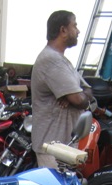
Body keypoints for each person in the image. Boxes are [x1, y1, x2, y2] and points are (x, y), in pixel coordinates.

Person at [31, 10, 94, 169]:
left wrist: (77, 96)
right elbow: (79, 100)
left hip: (62, 148)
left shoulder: (62, 60)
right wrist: (78, 97)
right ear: (63, 30)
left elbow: (87, 91)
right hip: (52, 150)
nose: (78, 31)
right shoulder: (52, 60)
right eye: (75, 26)